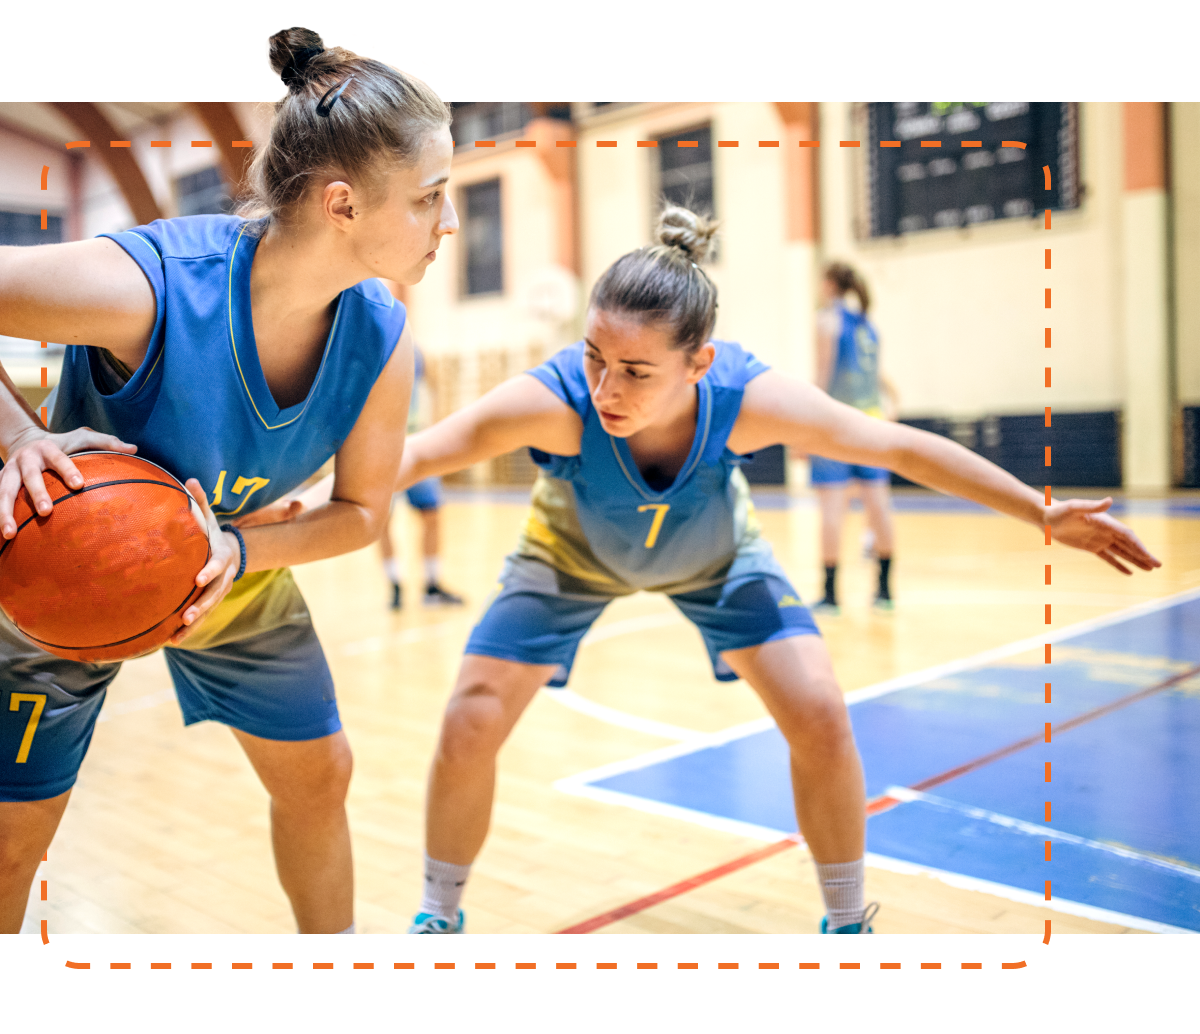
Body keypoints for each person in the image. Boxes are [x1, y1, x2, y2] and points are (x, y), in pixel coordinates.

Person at [281, 204, 1160, 936]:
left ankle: (847, 923)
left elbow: (892, 445)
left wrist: (1039, 512)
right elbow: (419, 452)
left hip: (716, 560)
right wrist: (311, 497)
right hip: (569, 558)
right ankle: (439, 916)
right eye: (595, 357)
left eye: (635, 370)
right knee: (470, 716)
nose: (606, 387)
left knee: (820, 710)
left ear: (699, 363)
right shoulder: (558, 401)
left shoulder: (743, 397)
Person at [0, 27, 456, 936]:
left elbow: (361, 514)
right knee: (17, 835)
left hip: (232, 569)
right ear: (342, 204)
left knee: (321, 776)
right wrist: (17, 435)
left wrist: (237, 549)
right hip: (70, 565)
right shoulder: (156, 286)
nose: (447, 223)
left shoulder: (382, 337)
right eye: (429, 197)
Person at [807, 262, 900, 613]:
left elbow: (823, 375)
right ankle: (885, 591)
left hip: (838, 425)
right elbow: (876, 377)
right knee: (879, 507)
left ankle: (830, 596)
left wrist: (805, 425)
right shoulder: (868, 325)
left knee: (832, 510)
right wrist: (892, 407)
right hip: (872, 424)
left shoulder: (828, 320)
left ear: (830, 285)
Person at [378, 341, 464, 609]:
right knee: (381, 521)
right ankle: (394, 585)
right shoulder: (368, 346)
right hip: (380, 447)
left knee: (432, 514)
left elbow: (435, 383)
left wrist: (435, 424)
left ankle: (432, 585)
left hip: (416, 442)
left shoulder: (414, 352)